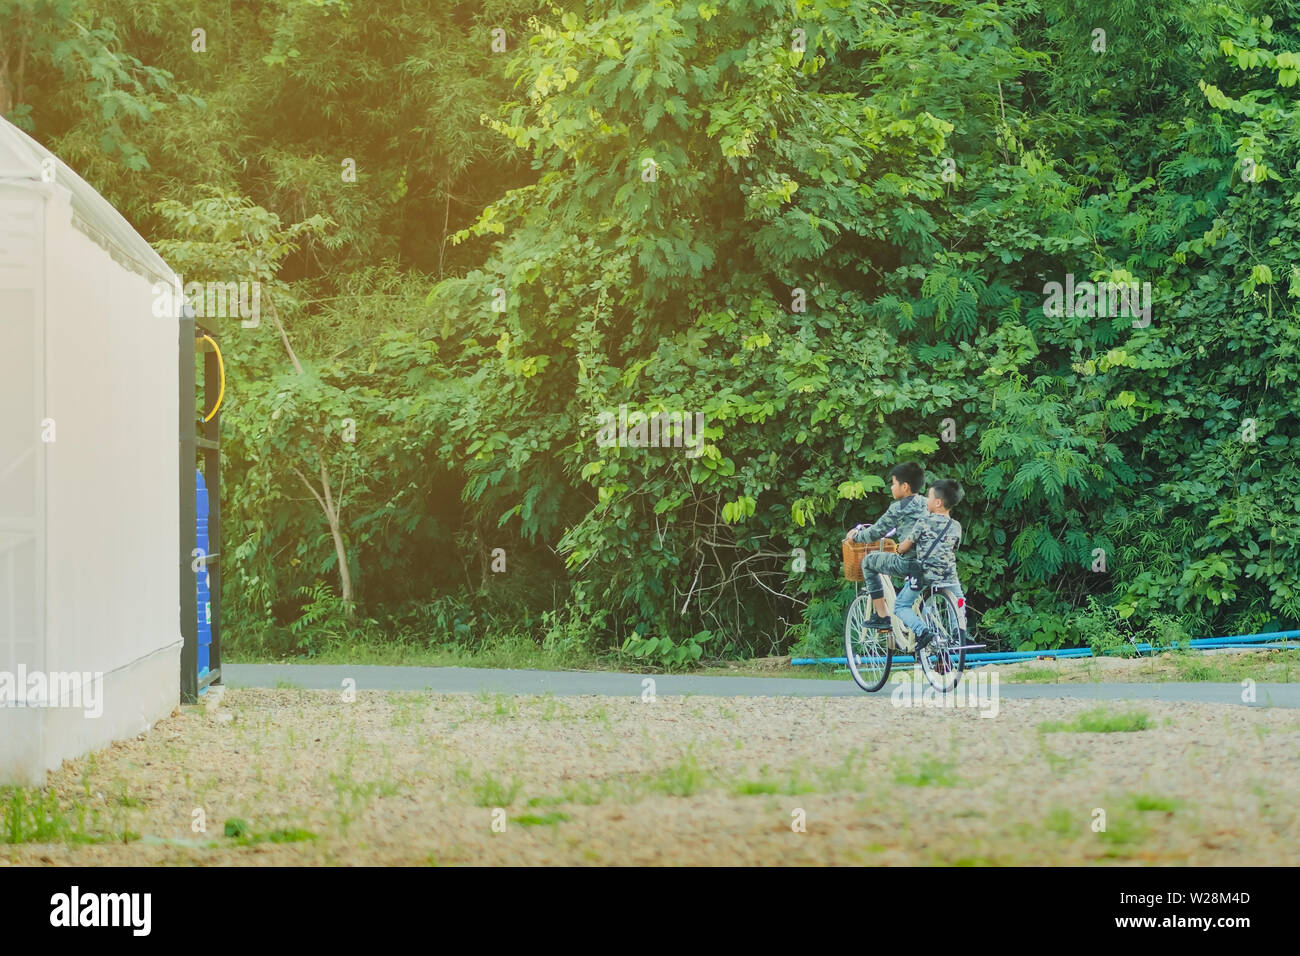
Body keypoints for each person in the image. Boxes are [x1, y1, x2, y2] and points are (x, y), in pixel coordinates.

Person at [844, 462, 928, 630]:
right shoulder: (927, 503)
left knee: (868, 562)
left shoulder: (898, 507)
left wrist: (855, 537)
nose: (891, 488)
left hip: (909, 562)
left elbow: (877, 531)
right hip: (931, 559)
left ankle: (882, 616)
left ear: (904, 487)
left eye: (893, 483)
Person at [892, 479, 967, 651]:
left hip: (925, 575)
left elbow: (906, 545)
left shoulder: (924, 521)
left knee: (900, 606)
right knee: (960, 602)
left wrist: (897, 549)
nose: (927, 500)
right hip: (949, 576)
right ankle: (958, 632)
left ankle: (922, 631)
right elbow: (953, 547)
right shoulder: (956, 526)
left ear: (938, 502)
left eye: (929, 497)